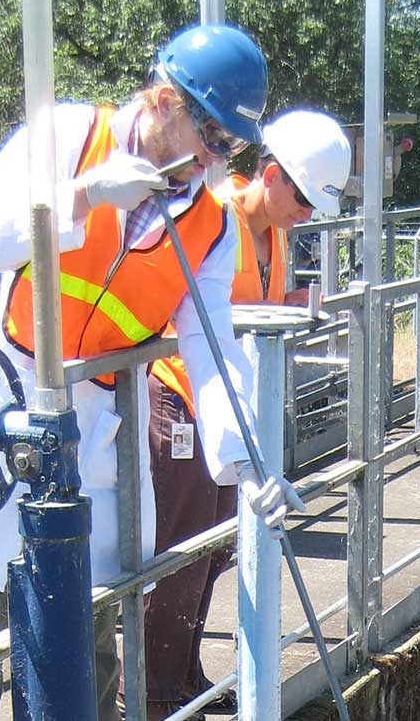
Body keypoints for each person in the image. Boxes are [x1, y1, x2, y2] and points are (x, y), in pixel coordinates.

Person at [0, 24, 303, 721]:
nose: (216, 161)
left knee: (93, 620)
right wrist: (83, 195)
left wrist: (250, 464)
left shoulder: (210, 229)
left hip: (94, 424)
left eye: (232, 148)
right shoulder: (67, 135)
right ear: (164, 100)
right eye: (212, 138)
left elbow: (213, 353)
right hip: (7, 395)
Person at [143, 110, 351, 719]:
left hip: (229, 414)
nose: (307, 214)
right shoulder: (215, 216)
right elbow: (190, 313)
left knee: (215, 548)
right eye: (304, 198)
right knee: (181, 547)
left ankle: (183, 674)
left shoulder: (274, 235)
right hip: (182, 399)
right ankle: (152, 692)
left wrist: (290, 305)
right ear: (270, 174)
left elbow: (247, 305)